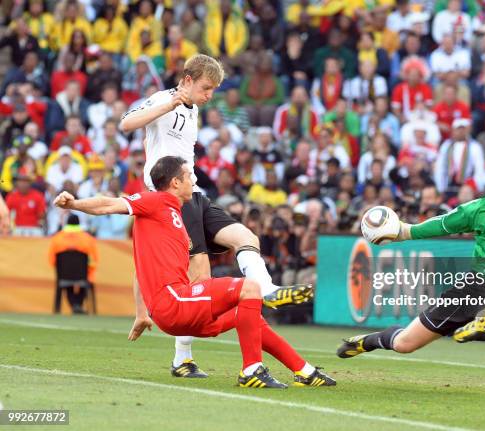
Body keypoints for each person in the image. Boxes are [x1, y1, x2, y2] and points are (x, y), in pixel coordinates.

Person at [53, 156, 335, 389]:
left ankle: (305, 371)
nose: (194, 180)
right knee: (251, 287)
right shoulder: (156, 201)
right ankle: (251, 369)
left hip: (176, 310)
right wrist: (74, 204)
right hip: (174, 302)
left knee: (248, 315)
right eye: (189, 175)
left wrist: (142, 313)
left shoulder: (171, 217)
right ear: (175, 182)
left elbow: (140, 268)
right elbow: (109, 203)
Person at [119, 54, 313, 378]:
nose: (210, 96)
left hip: (193, 194)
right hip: (170, 198)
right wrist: (167, 105)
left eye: (214, 90)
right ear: (189, 80)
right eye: (207, 88)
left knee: (246, 238)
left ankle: (267, 289)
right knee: (199, 273)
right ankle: (182, 359)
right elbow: (126, 123)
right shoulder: (164, 99)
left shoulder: (192, 111)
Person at [337, 73, 485, 357]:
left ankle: (482, 323)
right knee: (405, 345)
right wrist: (404, 231)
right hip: (475, 285)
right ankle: (369, 341)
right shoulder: (482, 207)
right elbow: (444, 224)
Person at [48, 214, 98, 314]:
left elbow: (51, 260)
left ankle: (75, 305)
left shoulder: (57, 238)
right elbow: (94, 260)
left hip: (63, 276)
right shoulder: (88, 239)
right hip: (82, 275)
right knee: (83, 281)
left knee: (68, 283)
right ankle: (77, 305)